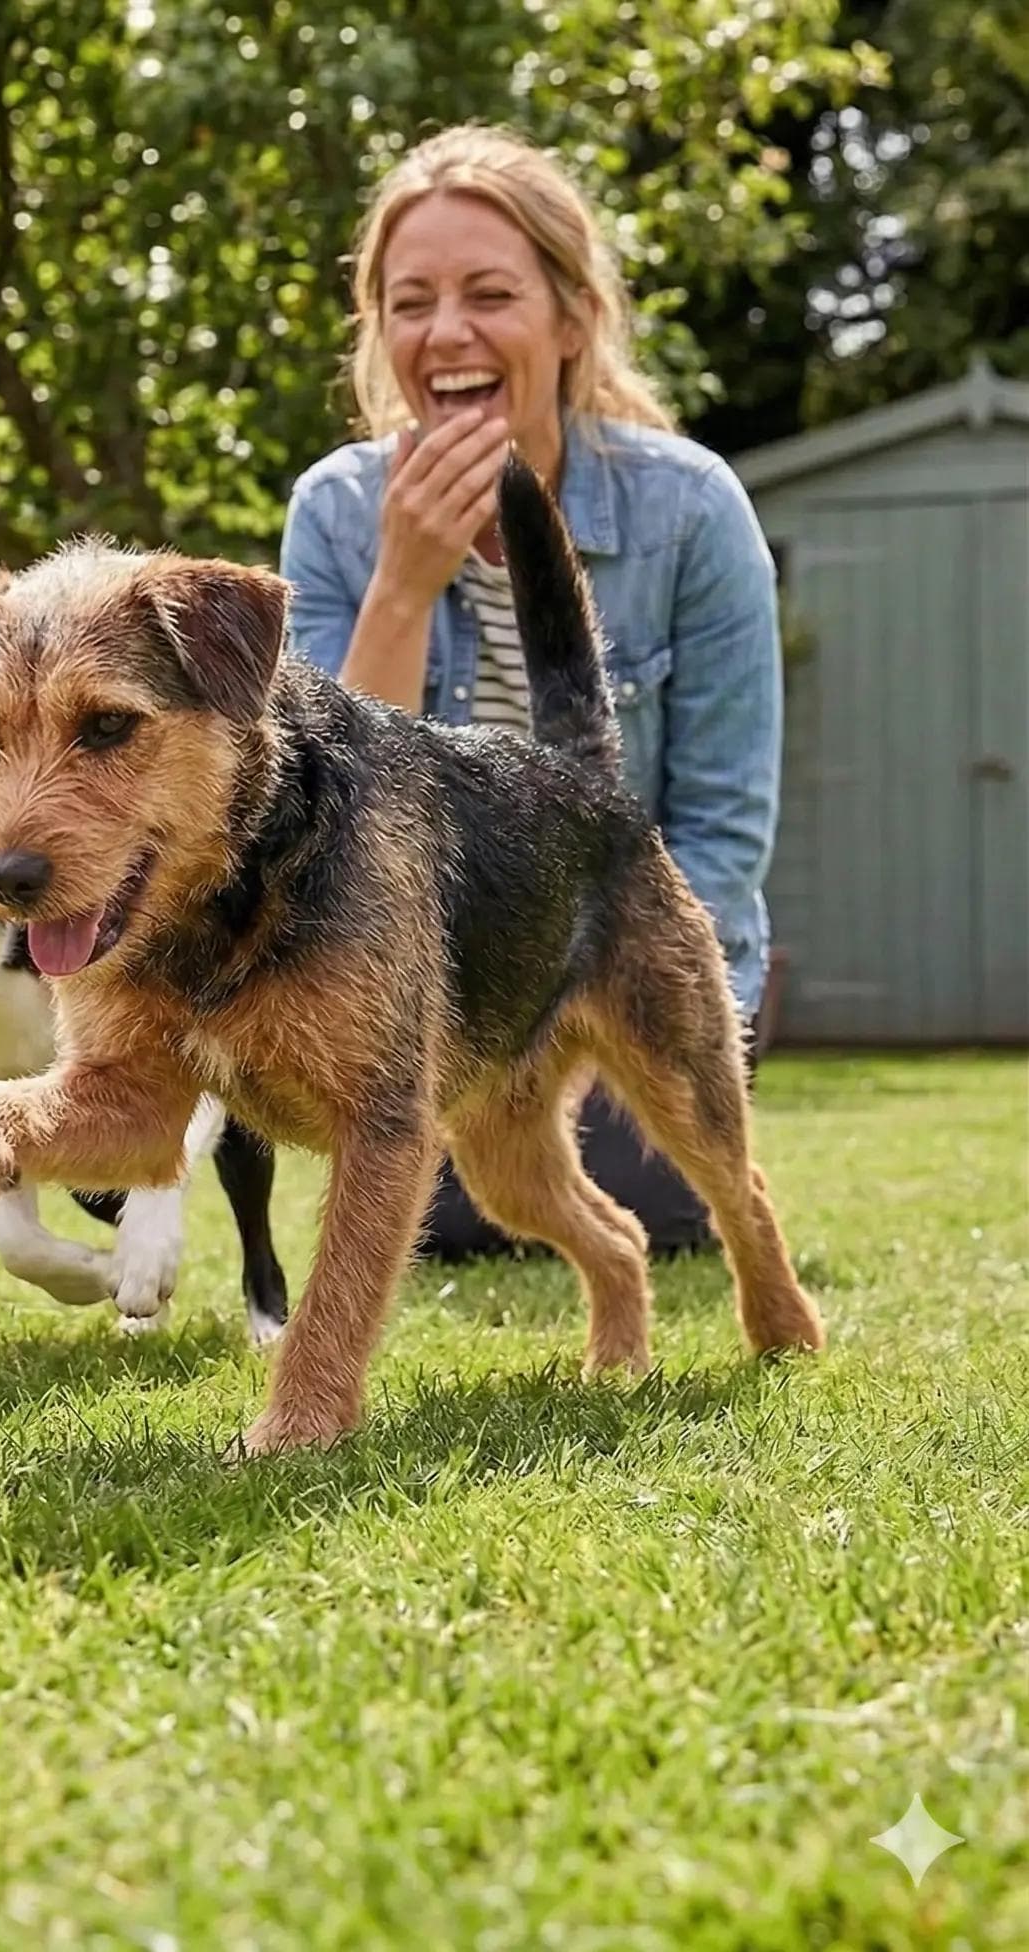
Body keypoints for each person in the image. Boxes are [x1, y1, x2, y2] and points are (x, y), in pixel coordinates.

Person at [278, 123, 784, 1259]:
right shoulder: (334, 514)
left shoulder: (690, 512)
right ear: (378, 334)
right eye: (409, 303)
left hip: (624, 959)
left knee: (650, 1188)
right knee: (444, 1200)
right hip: (424, 997)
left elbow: (720, 831)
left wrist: (644, 1024)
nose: (446, 332)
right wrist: (400, 586)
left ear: (569, 318)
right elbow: (323, 825)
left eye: (488, 293)